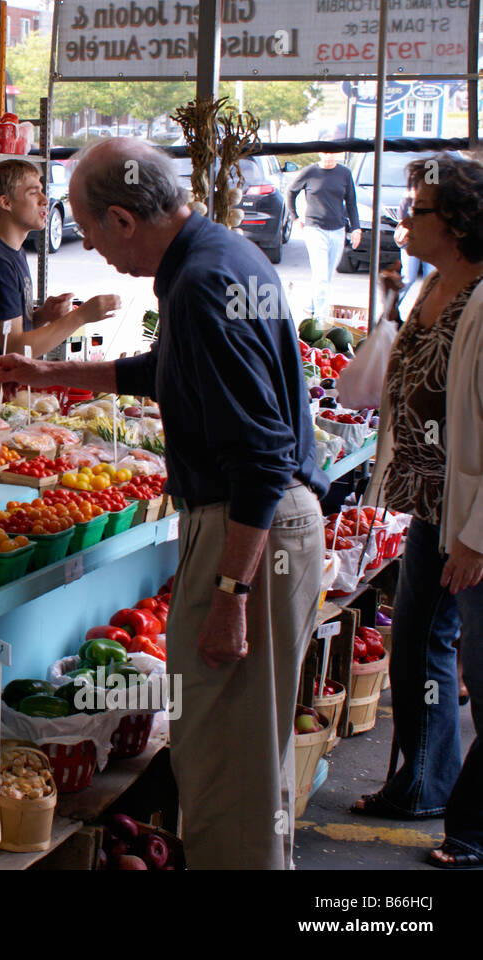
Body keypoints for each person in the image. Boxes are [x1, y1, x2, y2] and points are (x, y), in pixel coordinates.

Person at [0, 139, 330, 869]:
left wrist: (231, 592)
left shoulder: (198, 281)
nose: (92, 249)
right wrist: (50, 368)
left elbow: (261, 456)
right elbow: (169, 369)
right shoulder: (221, 256)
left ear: (122, 219)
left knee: (230, 767)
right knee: (237, 754)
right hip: (269, 524)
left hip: (252, 529)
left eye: (88, 229)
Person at [348, 153, 483, 869]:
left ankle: (473, 832)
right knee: (418, 646)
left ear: (457, 223)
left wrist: (477, 536)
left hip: (473, 518)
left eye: (418, 211)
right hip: (432, 506)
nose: (404, 219)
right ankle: (423, 784)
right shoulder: (434, 285)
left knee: (481, 673)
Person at [0, 159, 119, 404]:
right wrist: (81, 317)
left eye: (42, 191)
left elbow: (0, 330)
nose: (45, 200)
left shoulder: (11, 253)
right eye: (33, 192)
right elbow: (14, 348)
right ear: (5, 203)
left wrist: (41, 317)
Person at [286, 152, 361, 320]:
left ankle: (310, 306)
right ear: (320, 153)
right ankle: (320, 320)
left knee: (327, 276)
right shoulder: (310, 172)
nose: (329, 157)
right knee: (320, 275)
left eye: (332, 153)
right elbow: (291, 192)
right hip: (315, 228)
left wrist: (356, 228)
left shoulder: (344, 173)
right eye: (326, 153)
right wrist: (295, 217)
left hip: (337, 229)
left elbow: (351, 202)